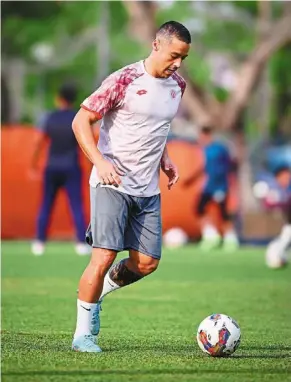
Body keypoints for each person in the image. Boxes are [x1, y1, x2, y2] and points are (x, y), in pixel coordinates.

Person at [71, 20, 191, 352]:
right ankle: (83, 334)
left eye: (183, 58)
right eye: (174, 55)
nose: (178, 64)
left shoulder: (177, 86)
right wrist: (99, 161)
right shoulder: (123, 80)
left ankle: (99, 295)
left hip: (147, 190)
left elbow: (156, 126)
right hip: (112, 183)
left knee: (147, 262)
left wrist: (164, 158)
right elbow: (81, 120)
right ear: (156, 45)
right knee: (105, 255)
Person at [30, 84, 90, 256]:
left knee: (46, 205)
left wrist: (33, 165)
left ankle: (39, 243)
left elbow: (38, 142)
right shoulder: (77, 118)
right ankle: (80, 243)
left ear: (58, 98)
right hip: (71, 167)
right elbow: (88, 141)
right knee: (77, 206)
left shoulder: (49, 117)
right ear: (73, 100)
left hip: (52, 167)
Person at [183, 126, 239, 251]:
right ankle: (211, 235)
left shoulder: (219, 149)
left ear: (207, 136)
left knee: (223, 214)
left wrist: (224, 186)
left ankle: (231, 239)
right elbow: (205, 168)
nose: (200, 139)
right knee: (199, 209)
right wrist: (191, 179)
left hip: (219, 186)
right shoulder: (206, 150)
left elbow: (228, 167)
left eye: (202, 136)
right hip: (208, 187)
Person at [265, 165, 291, 268]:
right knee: (287, 235)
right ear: (278, 176)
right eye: (285, 176)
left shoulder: (286, 189)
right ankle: (274, 256)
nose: (287, 178)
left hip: (286, 221)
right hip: (281, 221)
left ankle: (278, 256)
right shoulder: (274, 188)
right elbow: (270, 204)